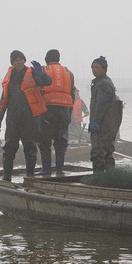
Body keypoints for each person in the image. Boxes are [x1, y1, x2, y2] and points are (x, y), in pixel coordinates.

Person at [0, 50, 52, 181]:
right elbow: (4, 98)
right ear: (12, 62)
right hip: (13, 117)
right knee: (9, 147)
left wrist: (42, 74)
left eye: (21, 59)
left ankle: (30, 175)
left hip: (30, 116)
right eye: (15, 60)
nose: (18, 62)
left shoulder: (32, 73)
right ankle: (6, 176)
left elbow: (48, 82)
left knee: (30, 146)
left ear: (24, 60)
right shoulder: (9, 77)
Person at [36, 49, 75, 177]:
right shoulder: (69, 73)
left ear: (46, 59)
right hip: (64, 108)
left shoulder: (43, 70)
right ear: (58, 59)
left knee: (45, 140)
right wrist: (69, 110)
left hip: (48, 108)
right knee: (61, 140)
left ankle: (46, 169)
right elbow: (72, 92)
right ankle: (59, 169)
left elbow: (37, 90)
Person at [88, 55, 124, 173]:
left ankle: (99, 179)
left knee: (98, 153)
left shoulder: (103, 84)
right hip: (108, 125)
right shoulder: (104, 82)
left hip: (103, 125)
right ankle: (109, 176)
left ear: (104, 69)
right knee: (108, 152)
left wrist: (96, 122)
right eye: (93, 67)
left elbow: (101, 105)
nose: (94, 70)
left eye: (97, 67)